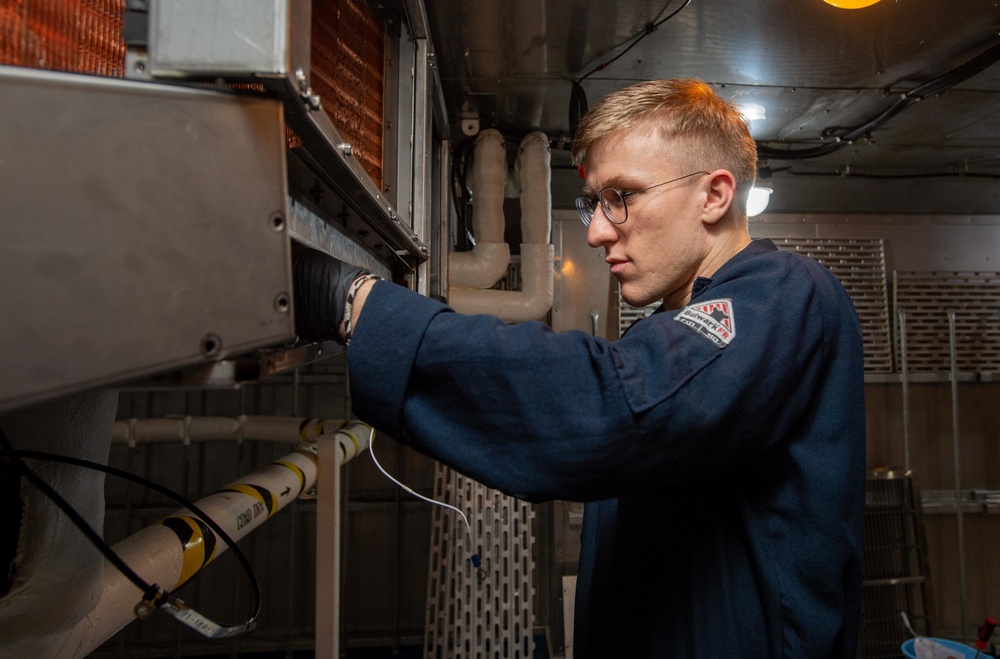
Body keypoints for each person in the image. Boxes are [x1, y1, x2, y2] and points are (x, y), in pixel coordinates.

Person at [294, 78, 866, 658]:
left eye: (622, 197)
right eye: (593, 203)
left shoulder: (788, 295)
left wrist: (357, 306)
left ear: (713, 196)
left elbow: (609, 408)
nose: (595, 231)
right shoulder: (670, 329)